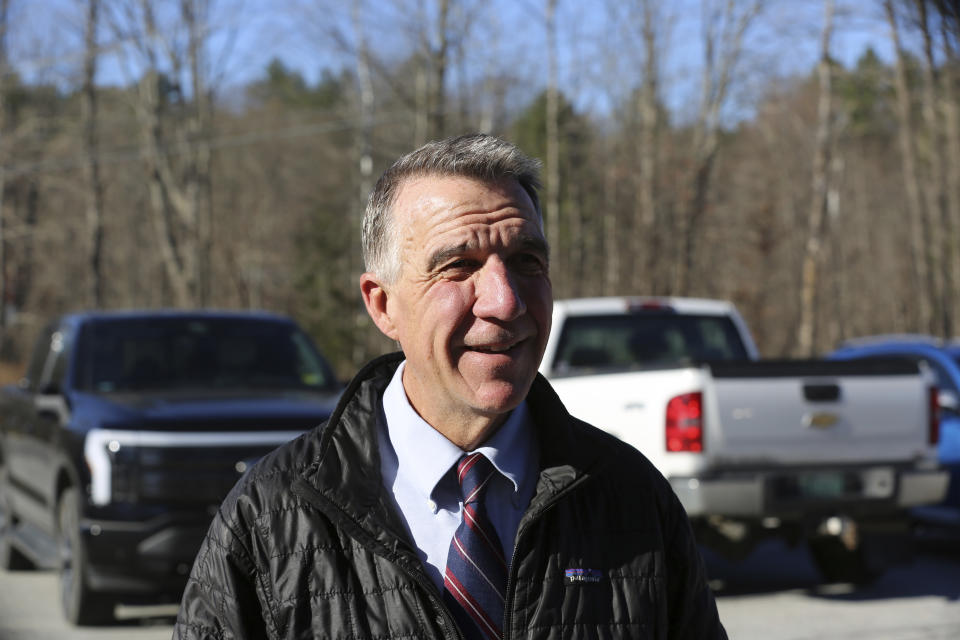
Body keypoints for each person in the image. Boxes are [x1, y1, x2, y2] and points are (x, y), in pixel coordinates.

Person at [173, 134, 727, 639]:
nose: (505, 300)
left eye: (525, 261)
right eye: (458, 266)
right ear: (383, 304)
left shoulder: (630, 498)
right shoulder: (273, 516)